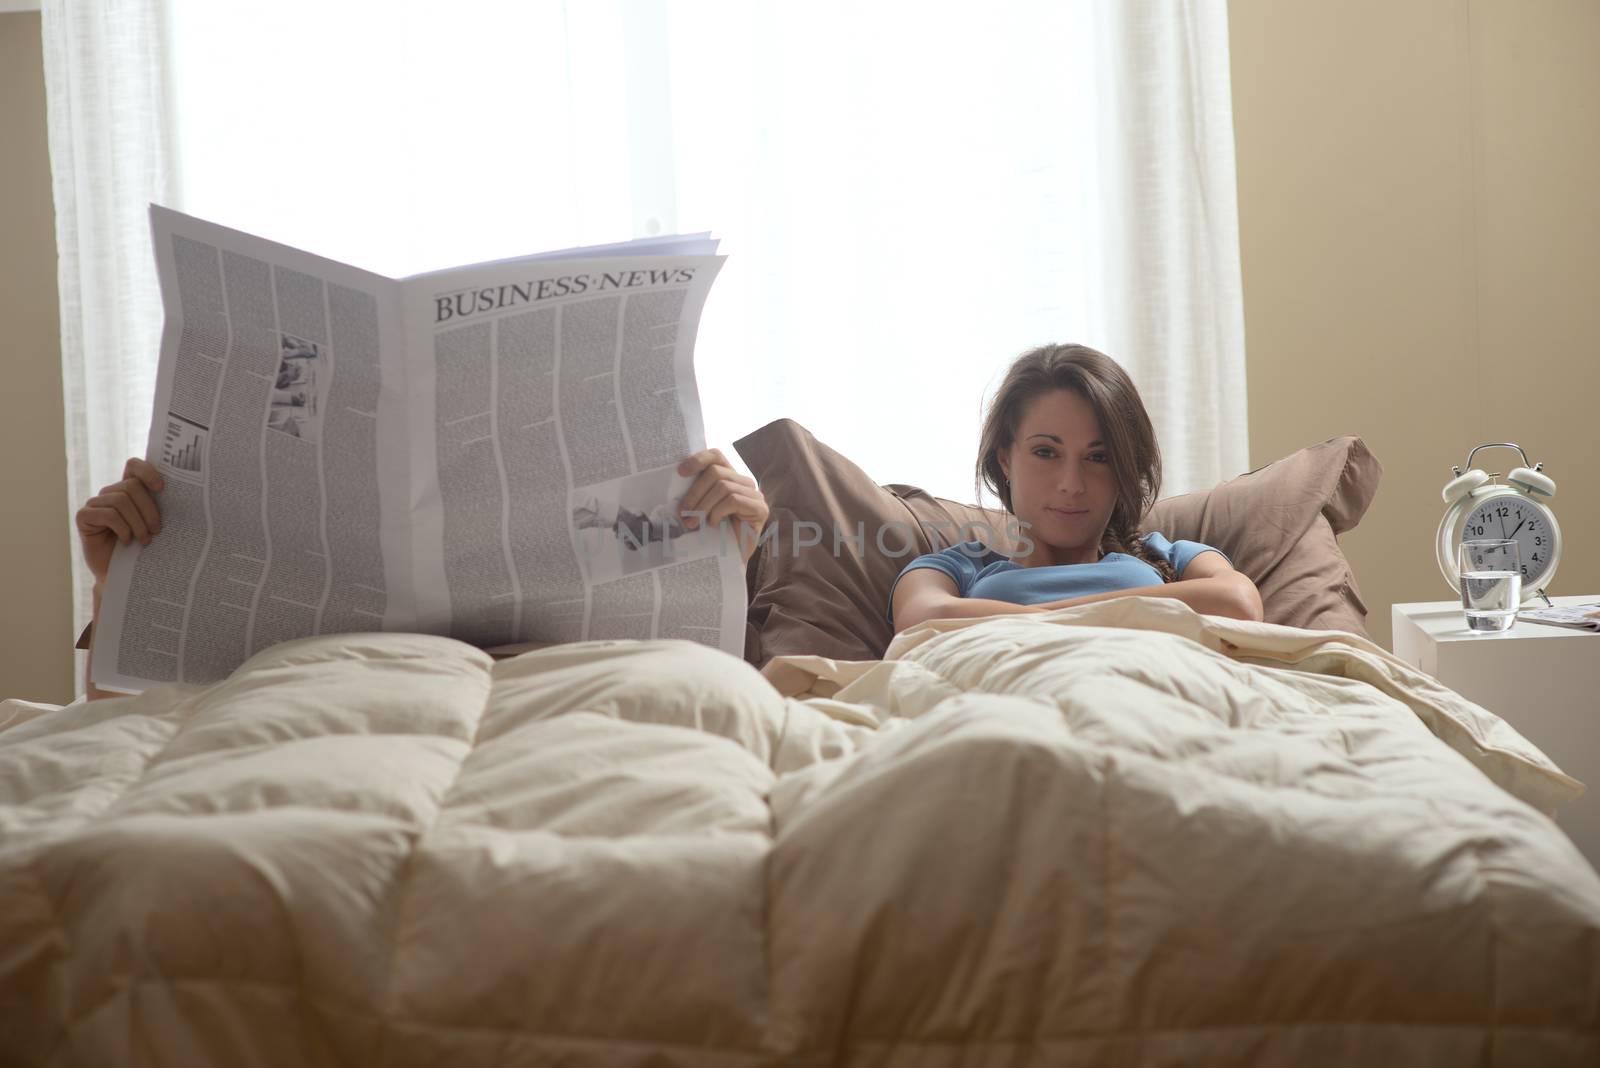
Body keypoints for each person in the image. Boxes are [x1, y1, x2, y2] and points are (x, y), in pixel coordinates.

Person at [72, 448, 768, 700]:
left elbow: (705, 694)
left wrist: (723, 559)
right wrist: (118, 586)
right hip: (313, 708)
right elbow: (121, 731)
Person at [889, 343, 1264, 634]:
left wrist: (1019, 616)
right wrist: (1138, 611)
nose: (1071, 484)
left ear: (1125, 469)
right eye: (1045, 452)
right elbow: (924, 620)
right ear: (1005, 459)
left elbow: (1238, 602)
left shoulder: (1172, 557)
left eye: (1098, 458)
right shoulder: (956, 568)